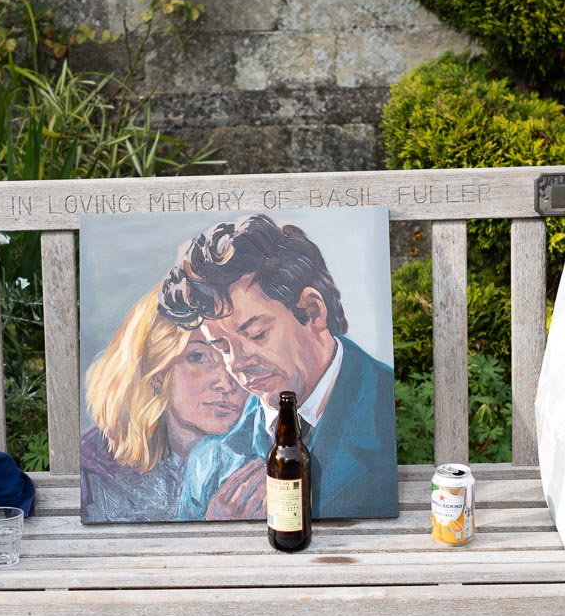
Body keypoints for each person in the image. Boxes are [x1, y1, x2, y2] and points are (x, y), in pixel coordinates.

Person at [158, 213, 398, 521]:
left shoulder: (384, 414)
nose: (237, 364)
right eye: (221, 347)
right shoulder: (210, 460)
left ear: (312, 311)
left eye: (256, 333)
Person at [80, 287, 248, 522]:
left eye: (236, 355)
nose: (227, 382)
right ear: (157, 369)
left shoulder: (265, 454)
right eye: (198, 357)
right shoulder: (96, 469)